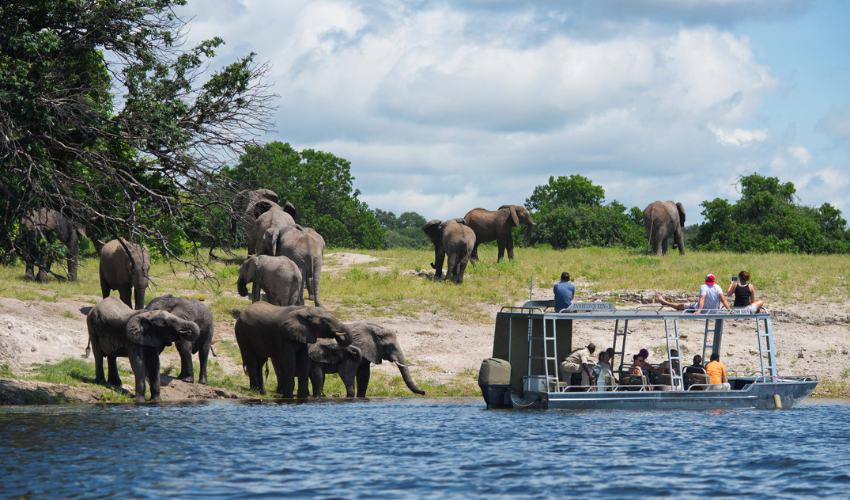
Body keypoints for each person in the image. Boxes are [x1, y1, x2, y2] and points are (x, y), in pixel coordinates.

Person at [657, 274, 730, 314]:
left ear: (706, 280)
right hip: (714, 311)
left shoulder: (704, 287)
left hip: (702, 309)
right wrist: (729, 310)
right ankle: (665, 303)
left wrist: (698, 311)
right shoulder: (718, 287)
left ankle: (665, 302)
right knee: (688, 305)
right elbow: (723, 299)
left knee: (681, 305)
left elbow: (702, 299)